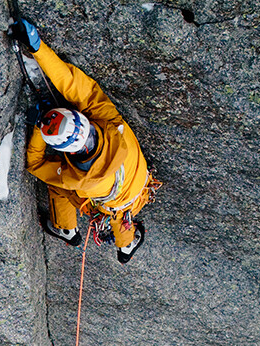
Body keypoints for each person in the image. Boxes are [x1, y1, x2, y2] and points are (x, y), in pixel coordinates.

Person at [9, 18, 157, 264]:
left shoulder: (75, 179)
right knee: (120, 212)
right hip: (138, 179)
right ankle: (126, 244)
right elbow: (74, 84)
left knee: (58, 186)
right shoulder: (109, 121)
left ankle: (65, 228)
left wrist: (37, 130)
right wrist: (38, 48)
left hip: (119, 196)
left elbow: (35, 164)